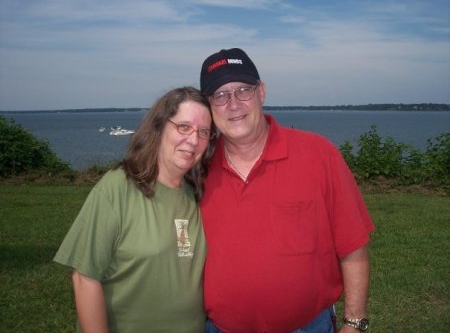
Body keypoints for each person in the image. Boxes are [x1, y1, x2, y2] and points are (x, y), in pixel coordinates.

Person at [198, 48, 375, 333]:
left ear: (261, 92)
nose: (233, 104)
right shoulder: (198, 170)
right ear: (208, 106)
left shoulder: (319, 155)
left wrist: (354, 324)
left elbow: (353, 245)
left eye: (243, 90)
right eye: (220, 95)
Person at [54, 86, 216, 333]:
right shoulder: (118, 187)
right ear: (159, 127)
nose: (194, 140)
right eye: (183, 127)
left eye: (203, 132)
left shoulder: (197, 193)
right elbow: (84, 278)